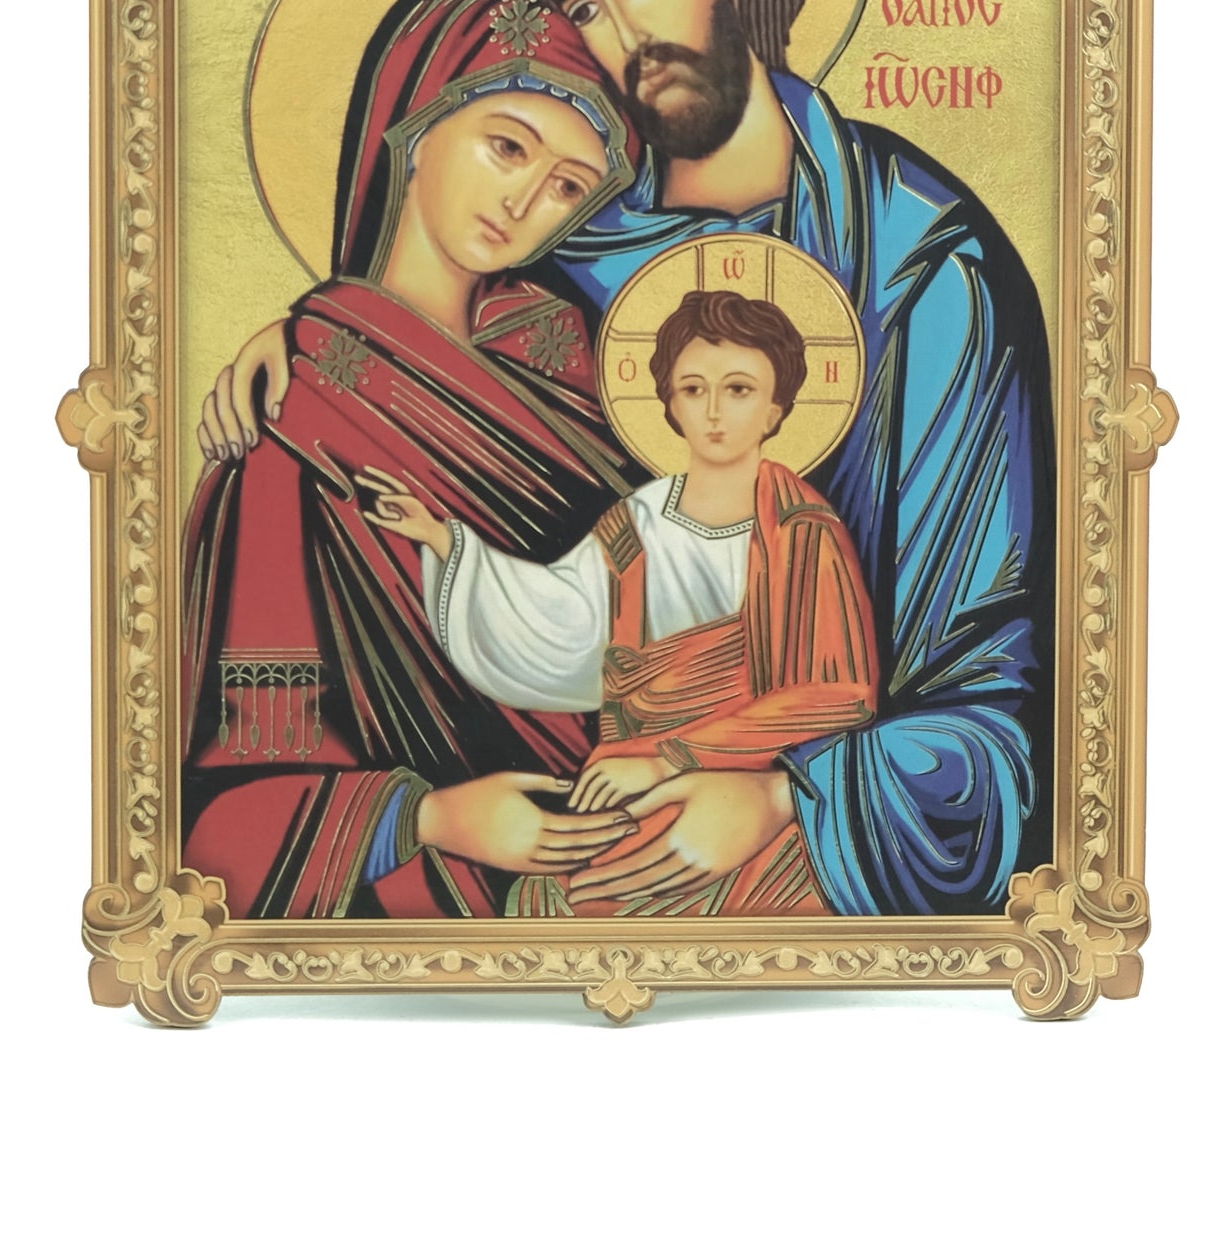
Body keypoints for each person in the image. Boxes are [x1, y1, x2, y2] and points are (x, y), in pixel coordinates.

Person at [206, 0, 1055, 916]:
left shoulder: (922, 265)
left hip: (807, 806)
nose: (620, 35)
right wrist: (311, 336)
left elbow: (990, 692)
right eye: (583, 8)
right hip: (582, 809)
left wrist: (785, 795)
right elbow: (432, 358)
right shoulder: (568, 255)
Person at [180, 0, 650, 918]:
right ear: (416, 121)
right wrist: (430, 818)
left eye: (566, 185)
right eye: (506, 147)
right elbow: (220, 831)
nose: (523, 203)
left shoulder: (584, 368)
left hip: (640, 839)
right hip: (441, 897)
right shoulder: (288, 430)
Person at [361, 289, 877, 916]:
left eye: (739, 389)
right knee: (546, 903)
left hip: (737, 796)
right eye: (693, 389)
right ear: (670, 404)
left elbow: (839, 695)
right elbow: (561, 616)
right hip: (623, 785)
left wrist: (670, 759)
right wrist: (443, 540)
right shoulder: (636, 522)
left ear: (776, 409)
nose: (714, 411)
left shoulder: (801, 530)